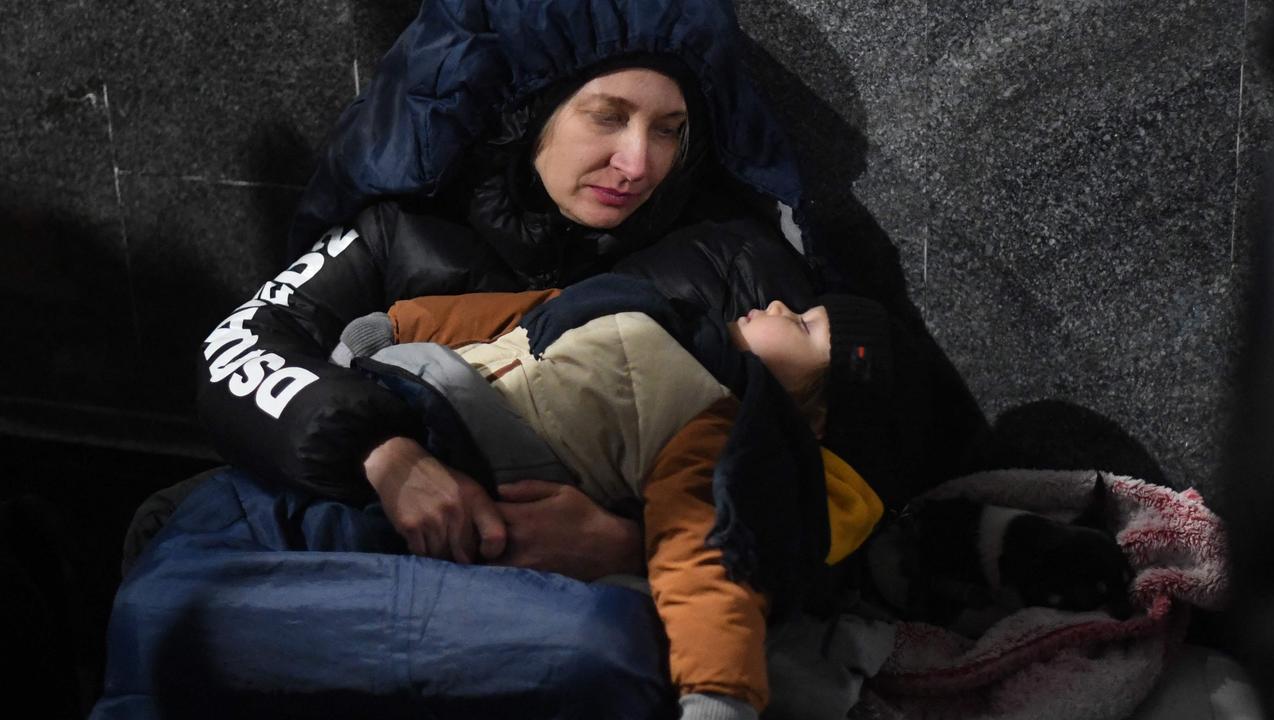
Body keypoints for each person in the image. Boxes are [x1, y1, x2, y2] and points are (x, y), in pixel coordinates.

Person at [195, 0, 822, 585]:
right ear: (526, 111)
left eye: (668, 130)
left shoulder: (728, 259)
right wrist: (386, 456)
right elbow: (240, 346)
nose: (638, 163)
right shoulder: (400, 232)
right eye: (607, 116)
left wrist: (633, 544)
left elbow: (848, 478)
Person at [331, 275, 886, 720]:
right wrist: (397, 325)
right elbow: (526, 313)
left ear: (810, 417)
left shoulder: (711, 419)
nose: (785, 306)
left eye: (809, 329)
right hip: (391, 402)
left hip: (467, 467)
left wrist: (719, 694)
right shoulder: (656, 302)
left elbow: (702, 552)